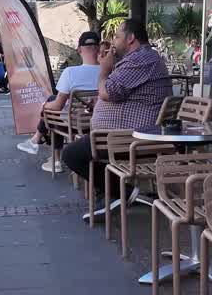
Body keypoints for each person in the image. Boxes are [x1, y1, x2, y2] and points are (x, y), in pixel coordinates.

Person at [60, 19, 172, 219]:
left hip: (130, 139)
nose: (113, 41)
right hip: (122, 135)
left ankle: (123, 193)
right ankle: (112, 195)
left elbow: (108, 92)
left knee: (72, 154)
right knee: (82, 152)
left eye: (117, 37)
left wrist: (104, 69)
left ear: (131, 39)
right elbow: (116, 92)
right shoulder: (137, 59)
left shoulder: (141, 59)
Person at [16, 31, 103, 172]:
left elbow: (58, 105)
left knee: (51, 109)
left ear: (79, 49)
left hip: (75, 124)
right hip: (99, 121)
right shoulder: (108, 71)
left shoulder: (70, 72)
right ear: (98, 48)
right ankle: (38, 143)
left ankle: (51, 156)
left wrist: (44, 106)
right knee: (54, 108)